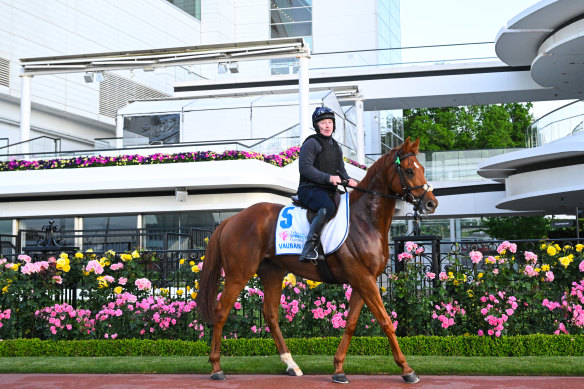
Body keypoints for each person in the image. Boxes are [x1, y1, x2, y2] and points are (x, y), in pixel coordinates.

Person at [297, 106, 358, 263]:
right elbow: (304, 168)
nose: (327, 126)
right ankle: (309, 248)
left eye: (330, 122)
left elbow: (341, 171)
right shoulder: (311, 143)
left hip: (328, 190)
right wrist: (328, 178)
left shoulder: (336, 146)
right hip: (309, 189)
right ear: (317, 125)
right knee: (328, 208)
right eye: (323, 122)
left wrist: (349, 180)